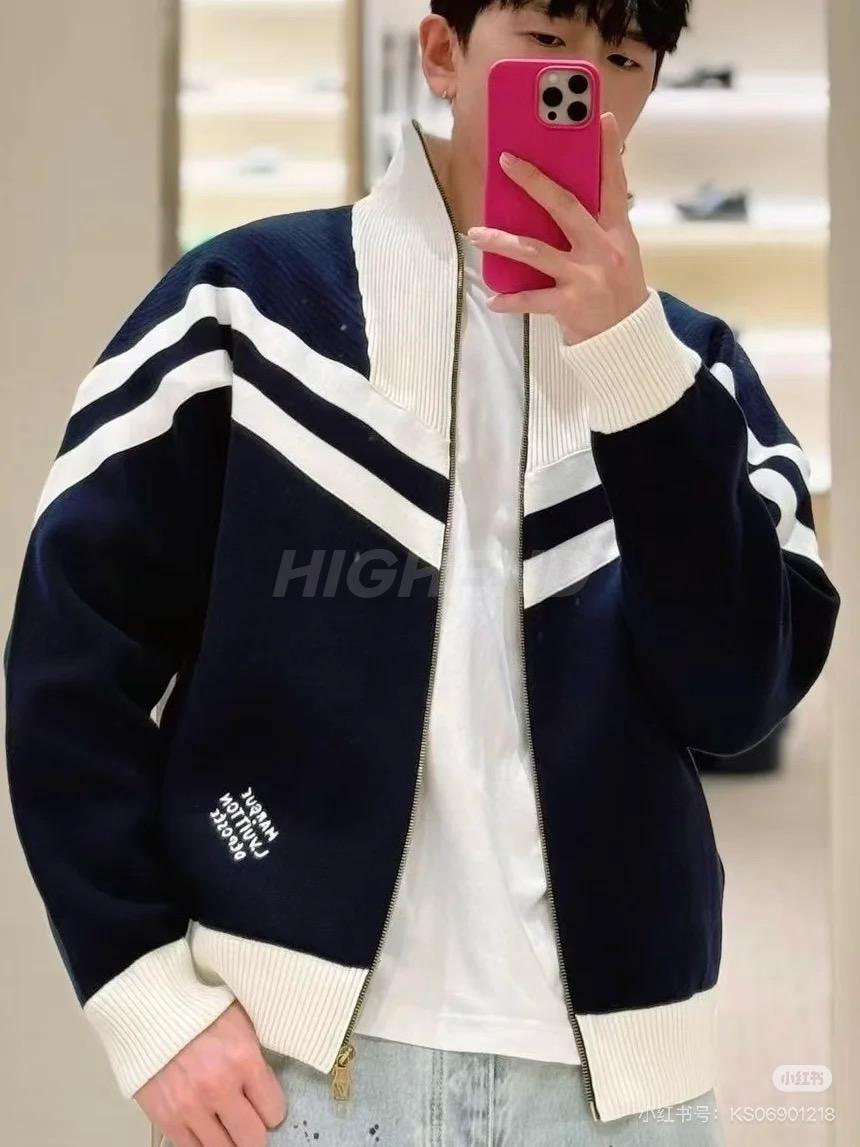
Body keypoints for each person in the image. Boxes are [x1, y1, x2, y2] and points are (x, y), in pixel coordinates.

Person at [3, 2, 841, 1145]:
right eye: (545, 41)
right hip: (292, 1069)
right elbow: (68, 665)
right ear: (442, 53)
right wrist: (142, 996)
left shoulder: (693, 373)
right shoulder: (245, 310)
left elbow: (734, 700)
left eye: (622, 58)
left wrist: (628, 361)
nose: (582, 84)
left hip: (613, 1092)